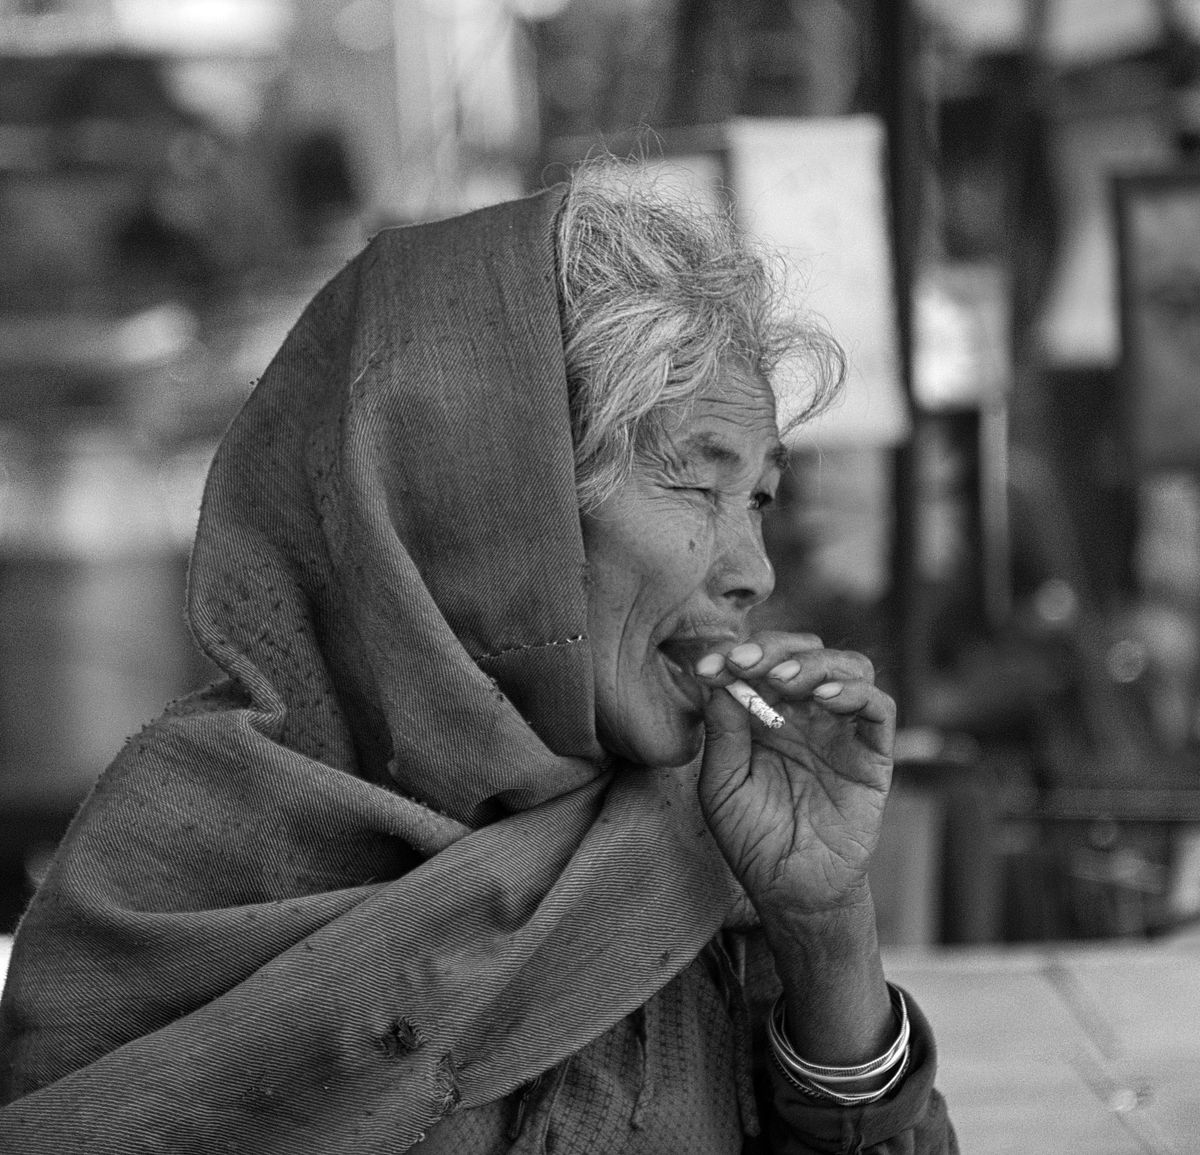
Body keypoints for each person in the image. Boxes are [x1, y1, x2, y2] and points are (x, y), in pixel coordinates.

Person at [0, 162, 956, 1153]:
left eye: (757, 497)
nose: (751, 572)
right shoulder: (174, 867)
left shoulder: (702, 843)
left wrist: (824, 922)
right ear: (480, 514)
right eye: (695, 485)